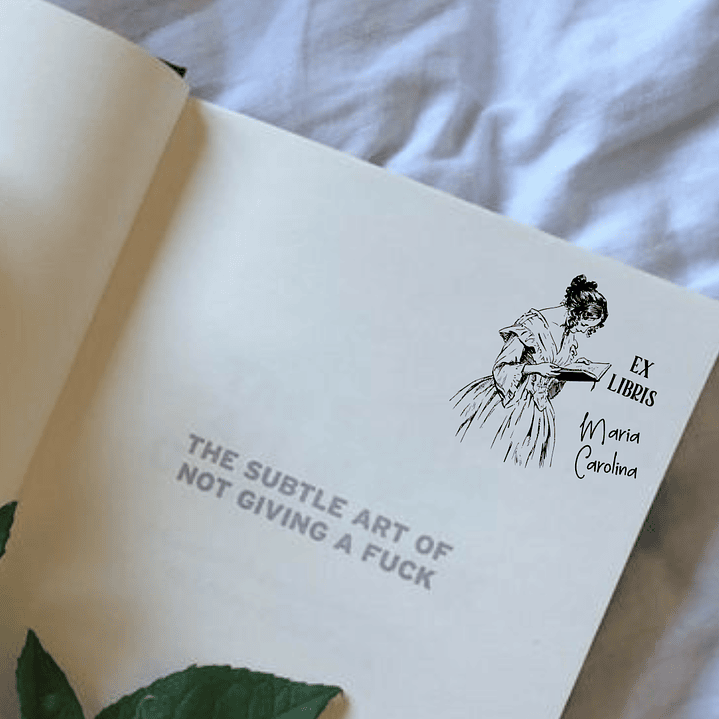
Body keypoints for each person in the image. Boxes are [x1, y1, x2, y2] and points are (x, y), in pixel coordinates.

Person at [452, 275, 608, 468]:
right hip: (509, 404)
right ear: (574, 313)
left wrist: (575, 366)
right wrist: (536, 369)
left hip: (538, 411)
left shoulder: (569, 334)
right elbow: (501, 367)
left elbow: (553, 372)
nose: (584, 331)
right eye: (584, 325)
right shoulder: (531, 325)